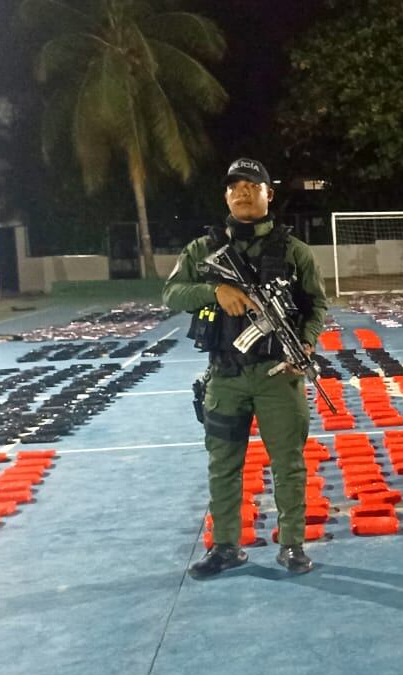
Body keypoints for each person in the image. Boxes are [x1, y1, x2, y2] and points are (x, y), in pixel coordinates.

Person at [164, 158, 328, 579]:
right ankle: (225, 547)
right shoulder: (202, 250)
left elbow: (315, 305)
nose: (242, 192)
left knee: (288, 464)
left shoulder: (294, 251)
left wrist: (306, 342)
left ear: (268, 194)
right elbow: (172, 294)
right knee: (223, 465)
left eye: (252, 186)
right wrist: (215, 290)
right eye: (234, 186)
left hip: (280, 376)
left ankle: (291, 545)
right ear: (226, 196)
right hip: (225, 376)